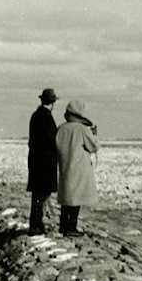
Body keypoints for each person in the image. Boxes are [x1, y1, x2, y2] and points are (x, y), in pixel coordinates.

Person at [55, 100, 99, 237]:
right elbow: (94, 147)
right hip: (79, 168)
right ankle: (71, 228)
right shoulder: (82, 129)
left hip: (64, 167)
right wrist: (95, 135)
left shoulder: (61, 128)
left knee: (66, 199)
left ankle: (63, 226)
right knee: (76, 199)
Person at [27, 88, 59, 235]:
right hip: (45, 162)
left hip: (36, 161)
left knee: (38, 194)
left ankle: (37, 224)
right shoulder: (46, 117)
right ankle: (36, 225)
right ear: (52, 103)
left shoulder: (36, 115)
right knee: (42, 194)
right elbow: (51, 140)